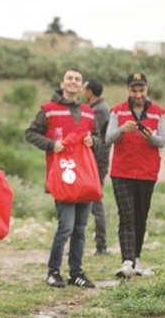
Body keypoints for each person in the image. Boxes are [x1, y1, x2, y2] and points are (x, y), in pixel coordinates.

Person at [25, 68, 101, 289]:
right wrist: (51, 145)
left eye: (77, 79)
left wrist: (93, 141)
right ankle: (53, 272)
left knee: (80, 229)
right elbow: (30, 133)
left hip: (84, 178)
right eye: (70, 78)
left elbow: (98, 137)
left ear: (82, 85)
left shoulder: (89, 112)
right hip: (63, 178)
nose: (73, 82)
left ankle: (76, 273)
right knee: (66, 227)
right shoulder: (48, 110)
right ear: (62, 82)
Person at [106, 72, 165, 278]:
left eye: (141, 90)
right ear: (128, 90)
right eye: (134, 90)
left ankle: (137, 259)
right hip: (122, 172)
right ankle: (127, 261)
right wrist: (122, 129)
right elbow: (108, 138)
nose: (138, 94)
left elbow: (162, 141)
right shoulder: (117, 111)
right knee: (127, 216)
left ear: (146, 89)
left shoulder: (159, 112)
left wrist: (151, 136)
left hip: (148, 172)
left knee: (141, 217)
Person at [82, 79, 110, 255]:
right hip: (93, 161)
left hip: (97, 161)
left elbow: (94, 136)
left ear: (90, 91)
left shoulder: (99, 111)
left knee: (96, 200)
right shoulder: (100, 108)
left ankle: (101, 245)